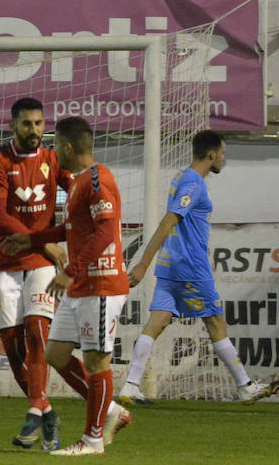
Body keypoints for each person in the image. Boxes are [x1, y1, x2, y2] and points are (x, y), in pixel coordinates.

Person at [3, 116, 133, 456]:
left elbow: (106, 232)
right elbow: (72, 230)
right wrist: (32, 239)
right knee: (56, 355)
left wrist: (72, 269)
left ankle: (92, 440)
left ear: (69, 147)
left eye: (56, 145)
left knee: (96, 362)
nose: (53, 152)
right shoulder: (77, 182)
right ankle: (111, 411)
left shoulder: (97, 180)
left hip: (101, 284)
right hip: (82, 287)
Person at [117, 130, 278, 406]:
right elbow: (169, 219)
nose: (223, 159)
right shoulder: (194, 184)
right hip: (190, 267)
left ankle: (130, 384)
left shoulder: (182, 177)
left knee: (156, 323)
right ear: (212, 154)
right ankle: (245, 386)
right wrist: (143, 262)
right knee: (215, 323)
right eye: (223, 154)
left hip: (170, 265)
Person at [0, 97, 76, 450]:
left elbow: (78, 193)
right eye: (27, 124)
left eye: (38, 123)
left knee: (38, 332)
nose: (34, 130)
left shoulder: (52, 159)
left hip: (38, 262)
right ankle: (46, 411)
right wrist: (45, 242)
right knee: (14, 348)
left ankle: (35, 411)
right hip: (3, 259)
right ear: (13, 126)